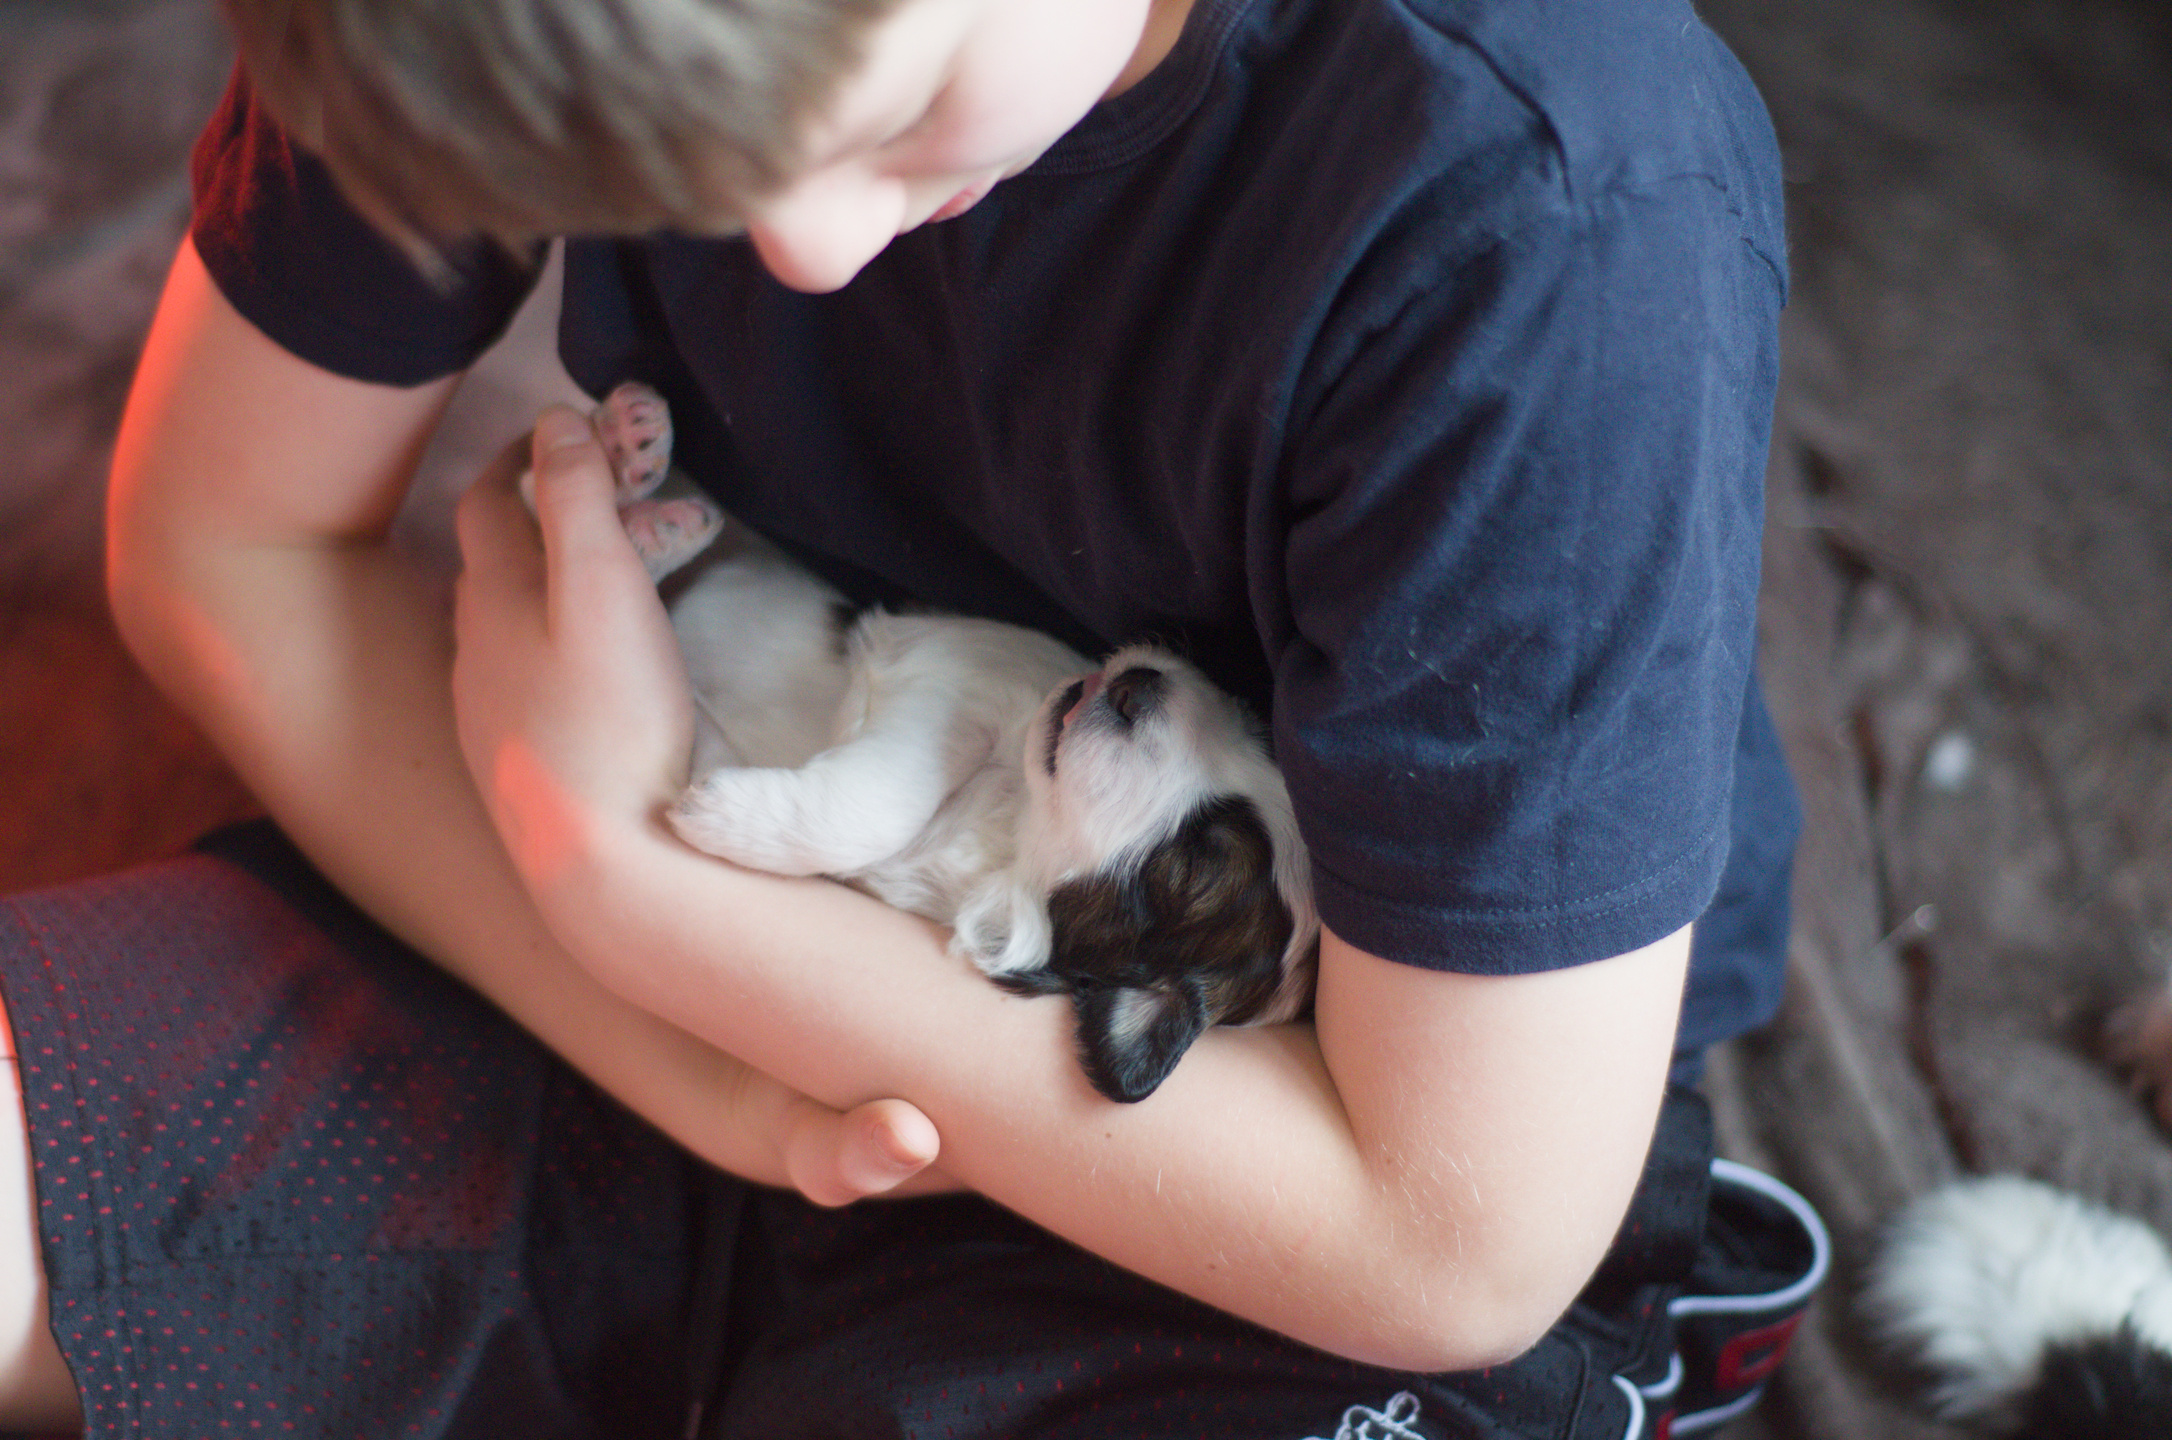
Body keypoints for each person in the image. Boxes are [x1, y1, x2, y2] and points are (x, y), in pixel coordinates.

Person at [0, 0, 1825, 1434]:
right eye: (672, 175)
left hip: (1254, 1168)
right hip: (592, 918)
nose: (800, 244)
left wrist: (641, 890)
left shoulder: (1540, 205)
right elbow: (224, 546)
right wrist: (672, 1015)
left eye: (887, 91)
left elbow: (1455, 1244)